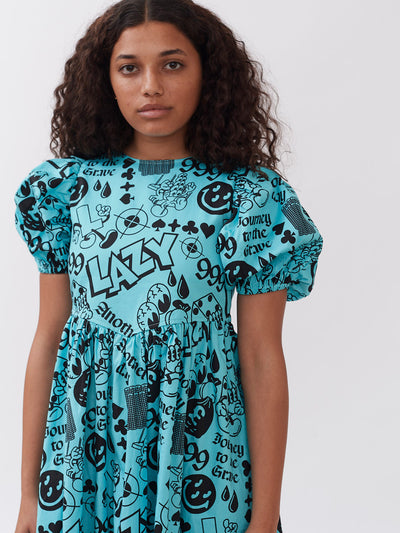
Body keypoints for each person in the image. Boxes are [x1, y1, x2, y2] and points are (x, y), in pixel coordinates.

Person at [13, 1, 323, 532]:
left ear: (209, 74)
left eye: (172, 64)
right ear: (106, 79)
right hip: (87, 455)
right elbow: (49, 337)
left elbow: (261, 356)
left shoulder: (251, 199)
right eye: (129, 67)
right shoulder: (65, 190)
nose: (150, 86)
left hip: (201, 447)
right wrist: (27, 496)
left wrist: (265, 516)